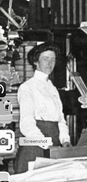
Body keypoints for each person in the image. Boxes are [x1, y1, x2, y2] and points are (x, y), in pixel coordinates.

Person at [16, 42, 71, 174]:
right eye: (45, 59)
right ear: (36, 61)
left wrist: (65, 140)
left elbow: (60, 120)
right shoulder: (27, 87)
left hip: (54, 144)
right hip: (34, 146)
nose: (50, 63)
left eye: (53, 59)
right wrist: (45, 143)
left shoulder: (52, 88)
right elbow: (26, 123)